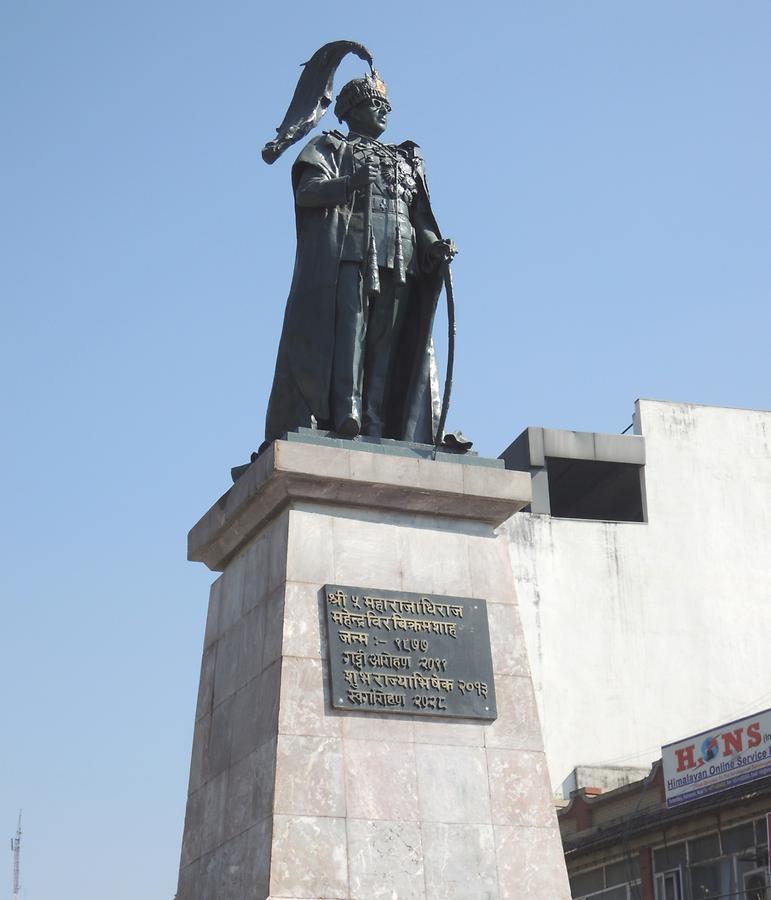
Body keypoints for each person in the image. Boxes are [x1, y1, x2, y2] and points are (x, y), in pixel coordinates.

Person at [263, 69, 456, 446]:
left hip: (401, 255)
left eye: (386, 105)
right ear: (351, 110)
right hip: (351, 251)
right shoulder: (331, 147)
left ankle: (375, 418)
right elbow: (307, 192)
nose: (384, 111)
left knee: (387, 340)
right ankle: (346, 409)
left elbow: (419, 215)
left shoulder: (407, 158)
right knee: (352, 331)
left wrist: (434, 245)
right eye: (375, 104)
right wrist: (349, 184)